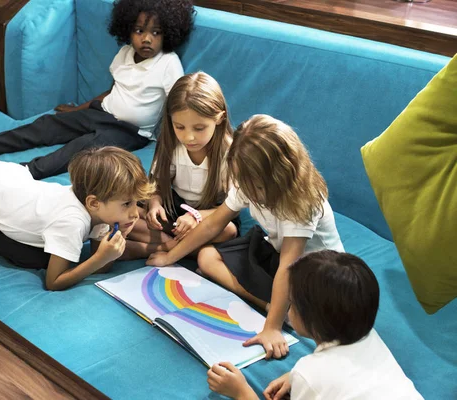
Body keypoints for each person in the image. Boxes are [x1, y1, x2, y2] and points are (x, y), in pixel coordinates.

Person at [147, 115, 344, 358]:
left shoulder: (300, 203)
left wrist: (272, 327)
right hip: (276, 252)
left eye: (258, 187)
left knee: (301, 317)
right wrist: (170, 257)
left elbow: (288, 267)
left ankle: (280, 311)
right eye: (242, 182)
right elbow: (212, 225)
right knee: (207, 257)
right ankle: (269, 304)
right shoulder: (248, 184)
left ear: (282, 174)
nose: (249, 193)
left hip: (315, 274)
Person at [0, 0, 195, 180]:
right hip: (101, 113)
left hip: (131, 131)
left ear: (169, 34)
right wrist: (79, 110)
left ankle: (22, 172)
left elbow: (177, 105)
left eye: (156, 32)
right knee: (46, 125)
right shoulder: (126, 53)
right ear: (128, 30)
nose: (147, 39)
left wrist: (173, 143)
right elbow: (113, 90)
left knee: (83, 147)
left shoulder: (168, 63)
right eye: (139, 31)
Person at [206, 250, 424, 400]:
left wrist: (242, 392)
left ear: (312, 320)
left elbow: (322, 376)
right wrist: (298, 378)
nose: (287, 309)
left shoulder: (310, 373)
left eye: (291, 302)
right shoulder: (369, 336)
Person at [0, 147, 154, 291]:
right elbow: (54, 282)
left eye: (137, 203)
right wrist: (100, 258)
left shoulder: (100, 210)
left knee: (60, 251)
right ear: (93, 203)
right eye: (127, 204)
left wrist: (112, 246)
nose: (135, 214)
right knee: (35, 259)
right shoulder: (72, 222)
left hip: (17, 184)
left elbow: (102, 265)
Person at [124, 72, 239, 259]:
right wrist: (154, 205)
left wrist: (197, 216)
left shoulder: (231, 152)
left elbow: (231, 208)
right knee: (127, 212)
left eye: (199, 128)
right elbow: (158, 185)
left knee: (228, 231)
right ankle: (180, 245)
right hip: (175, 211)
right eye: (179, 127)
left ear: (218, 119)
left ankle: (159, 247)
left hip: (212, 215)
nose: (189, 137)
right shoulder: (172, 143)